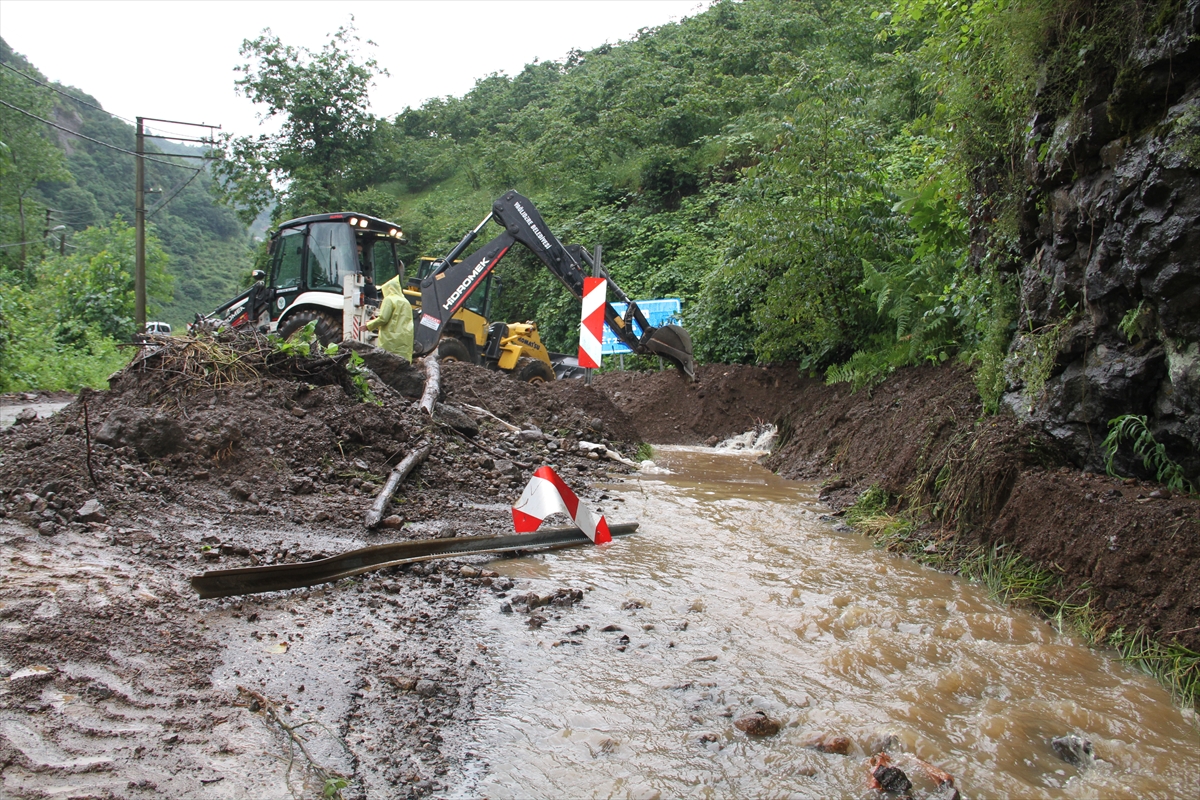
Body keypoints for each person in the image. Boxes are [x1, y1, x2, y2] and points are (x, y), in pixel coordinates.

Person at [366, 275, 414, 362]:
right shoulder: (406, 302)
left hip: (390, 339)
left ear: (388, 289)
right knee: (403, 363)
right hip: (405, 339)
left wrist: (368, 325)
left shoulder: (389, 299)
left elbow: (383, 319)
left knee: (387, 362)